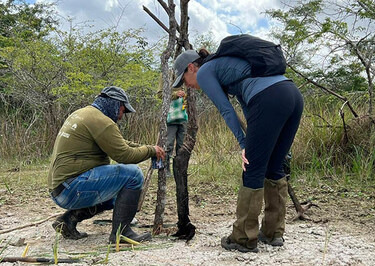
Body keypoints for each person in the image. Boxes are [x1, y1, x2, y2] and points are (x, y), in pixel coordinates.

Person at [172, 49, 303, 253]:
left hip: (268, 98)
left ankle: (243, 238)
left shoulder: (205, 72)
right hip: (292, 94)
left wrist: (244, 145)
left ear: (192, 67)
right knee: (274, 165)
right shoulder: (226, 65)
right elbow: (246, 104)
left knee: (252, 168)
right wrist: (254, 137)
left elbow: (227, 110)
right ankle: (273, 233)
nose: (186, 85)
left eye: (184, 79)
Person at [48, 86, 165, 243]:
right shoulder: (101, 121)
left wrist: (149, 148)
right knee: (134, 175)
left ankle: (68, 221)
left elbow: (120, 144)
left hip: (60, 189)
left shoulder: (84, 114)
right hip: (72, 189)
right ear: (114, 104)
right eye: (123, 110)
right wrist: (150, 150)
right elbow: (124, 155)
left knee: (120, 195)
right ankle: (122, 233)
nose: (121, 116)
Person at [165, 88, 187, 177]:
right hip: (171, 118)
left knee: (182, 145)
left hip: (183, 117)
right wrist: (175, 94)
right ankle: (166, 169)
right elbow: (160, 95)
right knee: (168, 144)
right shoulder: (166, 76)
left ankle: (179, 169)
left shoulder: (186, 76)